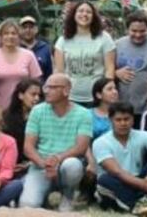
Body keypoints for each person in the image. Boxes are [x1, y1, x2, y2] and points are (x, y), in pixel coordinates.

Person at [20, 74, 93, 211]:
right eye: (46, 87)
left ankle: (68, 195)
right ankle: (41, 192)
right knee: (27, 205)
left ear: (66, 90)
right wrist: (45, 164)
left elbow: (81, 147)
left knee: (72, 165)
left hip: (66, 164)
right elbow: (28, 147)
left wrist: (57, 159)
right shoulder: (37, 111)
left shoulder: (84, 114)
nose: (46, 91)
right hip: (41, 166)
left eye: (52, 87)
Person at [92, 101, 147, 212]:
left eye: (126, 119)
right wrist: (146, 185)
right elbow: (117, 172)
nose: (123, 123)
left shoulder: (143, 135)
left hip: (140, 179)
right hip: (117, 182)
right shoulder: (100, 142)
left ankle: (144, 202)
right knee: (104, 180)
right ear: (110, 120)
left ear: (133, 120)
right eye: (118, 120)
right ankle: (139, 204)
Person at [54, 1, 115, 107]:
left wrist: (107, 92)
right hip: (70, 97)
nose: (84, 14)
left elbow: (110, 68)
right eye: (80, 11)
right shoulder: (63, 40)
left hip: (96, 98)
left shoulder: (104, 38)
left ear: (94, 16)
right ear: (73, 15)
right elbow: (59, 71)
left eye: (88, 12)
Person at [0, 20, 42, 108]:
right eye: (6, 33)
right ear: (0, 37)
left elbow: (36, 82)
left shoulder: (29, 55)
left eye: (13, 33)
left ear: (19, 36)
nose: (10, 36)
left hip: (23, 108)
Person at [3, 78, 42, 177]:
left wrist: (30, 164)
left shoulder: (45, 118)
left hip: (36, 165)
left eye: (39, 95)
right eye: (33, 94)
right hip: (10, 166)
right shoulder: (6, 117)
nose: (37, 98)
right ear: (21, 95)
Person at [18, 16, 53, 82]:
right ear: (19, 30)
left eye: (31, 27)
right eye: (24, 27)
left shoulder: (45, 48)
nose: (28, 30)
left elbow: (49, 73)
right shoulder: (16, 48)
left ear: (36, 29)